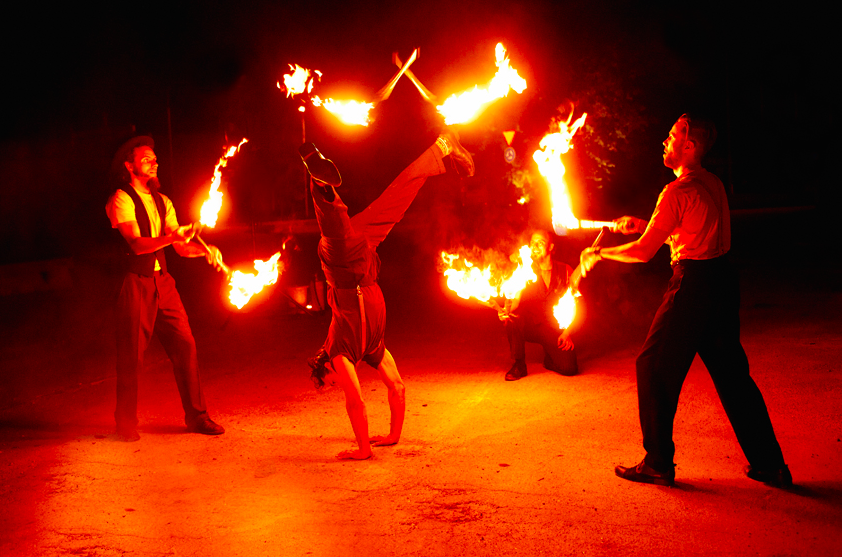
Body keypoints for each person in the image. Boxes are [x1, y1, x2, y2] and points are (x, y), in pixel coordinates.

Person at [580, 114, 791, 487]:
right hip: (723, 282)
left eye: (672, 135)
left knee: (652, 366)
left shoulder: (676, 191)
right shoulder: (712, 182)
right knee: (733, 377)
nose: (665, 140)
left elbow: (645, 252)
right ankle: (770, 464)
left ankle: (658, 462)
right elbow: (689, 227)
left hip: (693, 285)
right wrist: (647, 225)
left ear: (689, 146)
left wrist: (599, 255)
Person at [301, 130, 474, 460]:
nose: (336, 378)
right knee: (392, 198)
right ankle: (439, 148)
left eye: (329, 376)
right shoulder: (363, 347)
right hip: (360, 264)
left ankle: (321, 187)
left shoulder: (345, 350)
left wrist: (364, 450)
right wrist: (390, 437)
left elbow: (365, 397)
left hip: (358, 271)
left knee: (353, 224)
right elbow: (392, 389)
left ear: (328, 366)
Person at [106, 136, 226, 442]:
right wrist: (172, 239)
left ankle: (198, 417)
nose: (153, 162)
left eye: (154, 158)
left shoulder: (164, 201)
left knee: (186, 344)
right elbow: (136, 243)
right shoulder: (121, 199)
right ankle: (125, 423)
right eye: (146, 159)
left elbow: (181, 248)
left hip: (164, 283)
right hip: (136, 282)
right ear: (129, 165)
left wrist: (205, 250)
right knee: (132, 355)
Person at [496, 229, 578, 381]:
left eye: (540, 243)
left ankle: (549, 358)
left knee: (570, 369)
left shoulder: (565, 270)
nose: (535, 246)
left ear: (551, 247)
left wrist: (567, 332)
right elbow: (515, 301)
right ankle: (519, 365)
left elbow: (576, 305)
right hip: (530, 325)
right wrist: (506, 312)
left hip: (554, 327)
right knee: (514, 317)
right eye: (532, 243)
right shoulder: (524, 271)